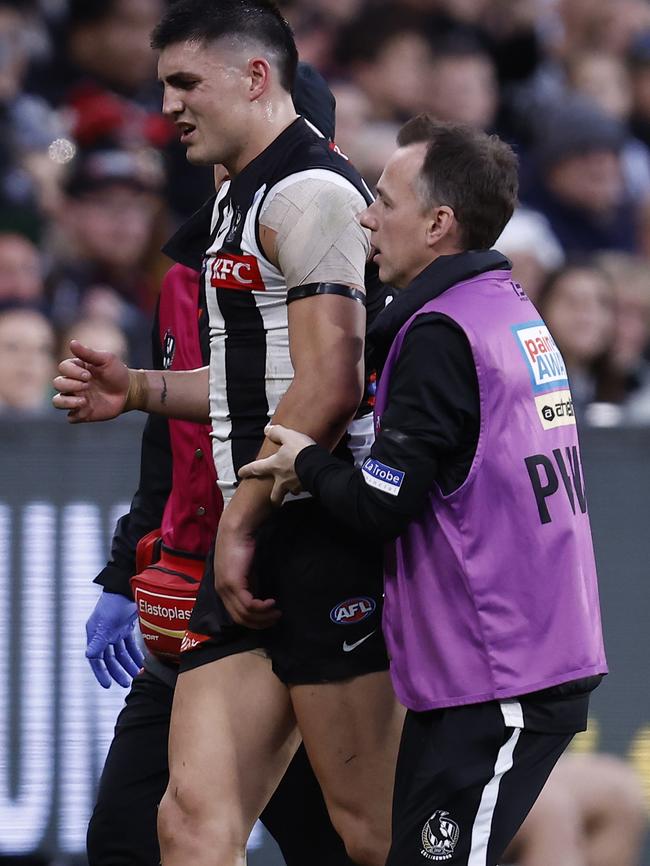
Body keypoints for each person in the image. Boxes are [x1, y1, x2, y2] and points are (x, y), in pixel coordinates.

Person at [53, 3, 404, 864]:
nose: (167, 105)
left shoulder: (312, 194)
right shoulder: (237, 201)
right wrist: (135, 388)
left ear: (255, 78)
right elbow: (264, 381)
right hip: (259, 544)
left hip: (324, 542)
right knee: (190, 821)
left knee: (370, 835)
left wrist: (240, 523)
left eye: (184, 83)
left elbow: (330, 380)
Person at [239, 115, 608, 866]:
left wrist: (305, 463)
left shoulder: (442, 331)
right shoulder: (508, 309)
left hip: (503, 672)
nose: (367, 216)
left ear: (439, 222)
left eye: (384, 199)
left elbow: (381, 503)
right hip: (517, 659)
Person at [85, 261, 355, 866]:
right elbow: (168, 443)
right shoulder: (183, 275)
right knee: (127, 838)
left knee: (344, 841)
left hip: (300, 601)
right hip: (195, 609)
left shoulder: (331, 259)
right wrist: (124, 571)